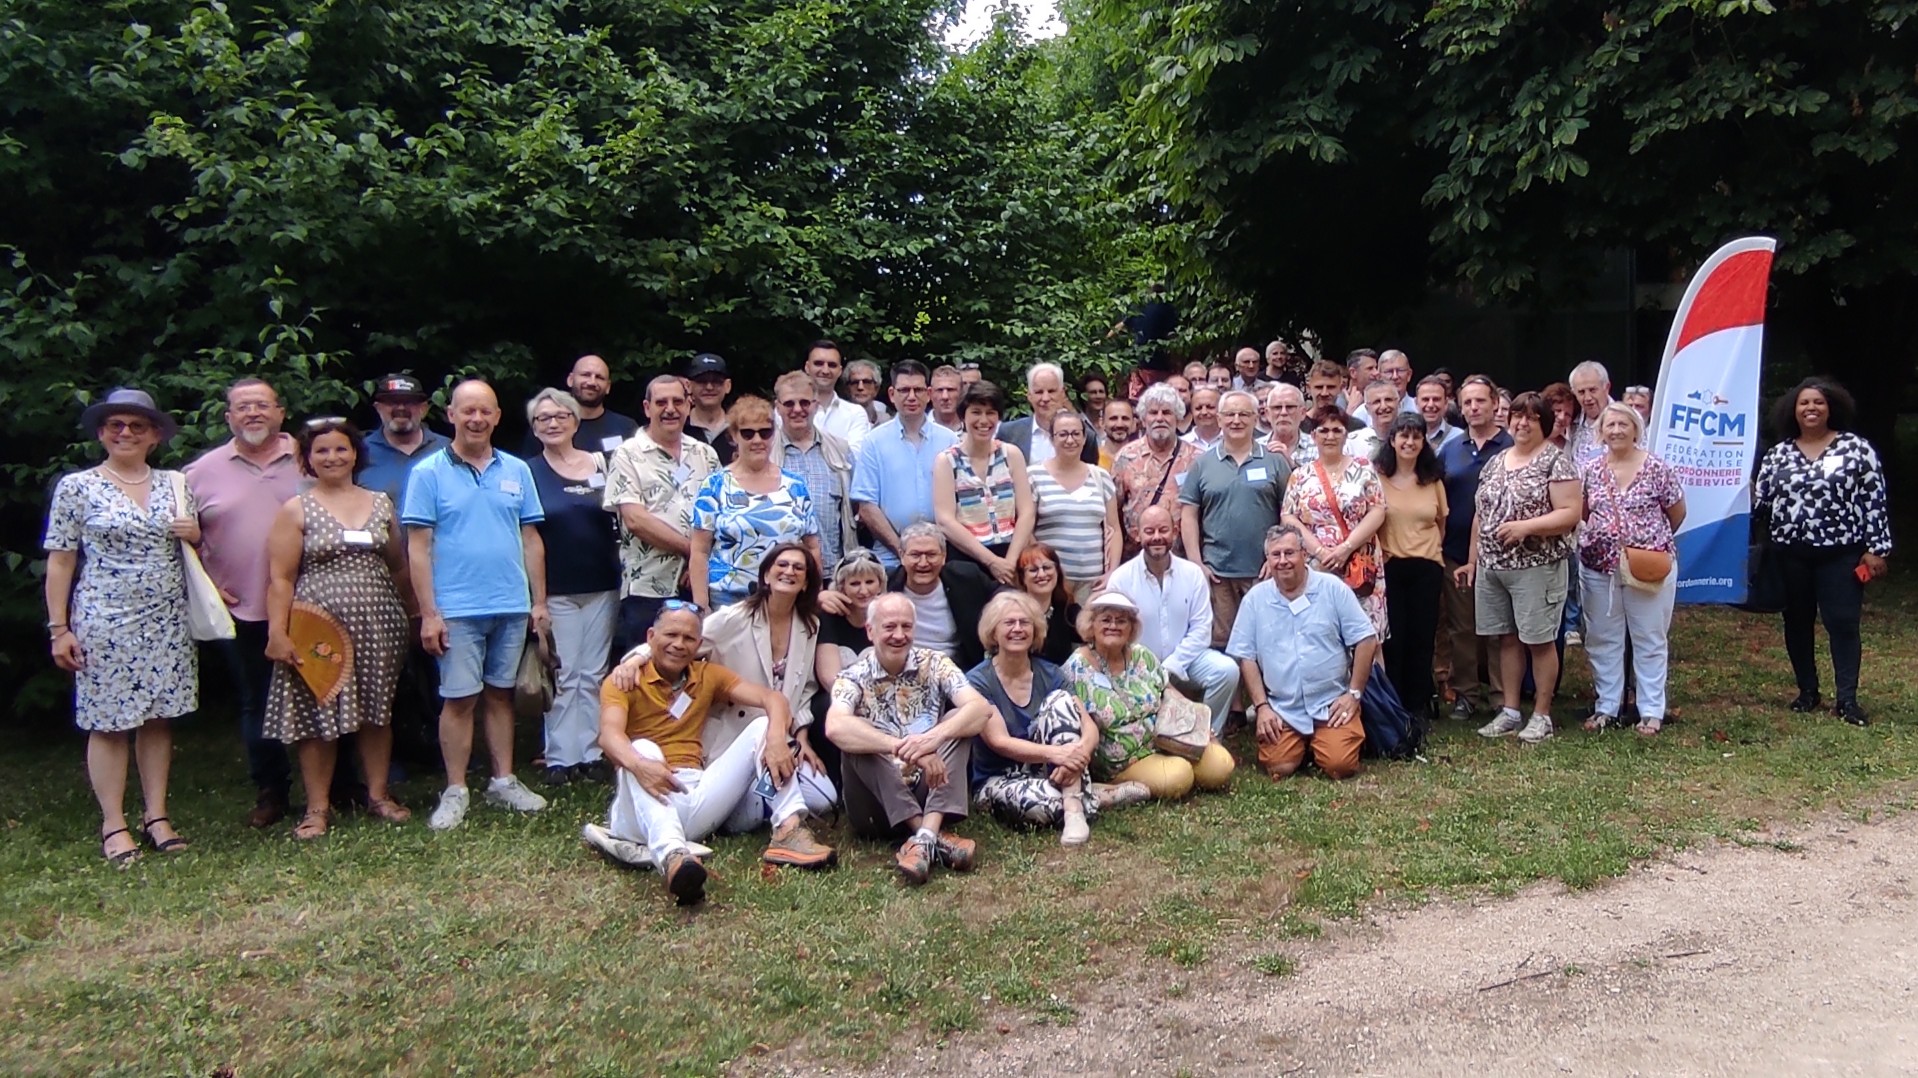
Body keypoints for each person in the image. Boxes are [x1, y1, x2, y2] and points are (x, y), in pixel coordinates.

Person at [586, 602, 837, 904]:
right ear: (651, 637)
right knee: (642, 746)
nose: (679, 644)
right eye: (671, 635)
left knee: (761, 726)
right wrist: (639, 766)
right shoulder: (624, 680)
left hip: (694, 795)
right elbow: (609, 736)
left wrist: (775, 738)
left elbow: (772, 698)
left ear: (699, 643)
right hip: (639, 807)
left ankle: (789, 831)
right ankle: (673, 857)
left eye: (689, 638)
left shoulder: (706, 676)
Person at [44, 389, 198, 865]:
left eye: (136, 426)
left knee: (158, 717)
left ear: (155, 435)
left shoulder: (176, 483)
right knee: (108, 723)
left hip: (167, 618)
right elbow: (61, 559)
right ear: (101, 433)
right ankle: (114, 822)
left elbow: (191, 546)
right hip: (105, 620)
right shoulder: (78, 487)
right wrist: (59, 628)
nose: (125, 433)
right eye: (116, 426)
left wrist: (194, 533)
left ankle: (157, 816)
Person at [402, 379, 552, 830]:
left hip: (509, 603)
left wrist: (538, 601)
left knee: (501, 695)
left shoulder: (516, 470)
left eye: (485, 411)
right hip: (457, 609)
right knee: (460, 698)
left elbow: (531, 539)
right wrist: (430, 612)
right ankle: (455, 789)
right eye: (467, 410)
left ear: (497, 416)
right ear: (450, 415)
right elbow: (417, 547)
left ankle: (503, 780)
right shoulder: (428, 473)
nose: (476, 418)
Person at [607, 543, 840, 818]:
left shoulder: (808, 626)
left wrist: (801, 737)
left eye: (798, 568)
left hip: (779, 732)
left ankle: (762, 797)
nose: (789, 571)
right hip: (734, 734)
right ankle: (756, 804)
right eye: (782, 565)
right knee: (742, 818)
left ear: (806, 583)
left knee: (824, 799)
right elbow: (685, 638)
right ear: (765, 576)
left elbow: (805, 689)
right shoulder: (735, 618)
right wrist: (635, 659)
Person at [262, 418, 414, 838]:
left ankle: (379, 795)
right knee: (319, 713)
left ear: (355, 454)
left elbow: (398, 565)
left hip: (380, 623)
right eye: (322, 451)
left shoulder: (381, 503)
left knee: (377, 711)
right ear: (308, 460)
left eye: (340, 449)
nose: (332, 457)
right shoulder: (297, 509)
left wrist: (414, 612)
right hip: (318, 629)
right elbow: (280, 578)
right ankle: (316, 808)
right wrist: (278, 630)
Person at [184, 377, 300, 828]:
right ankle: (271, 790)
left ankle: (340, 785)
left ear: (280, 411)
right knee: (259, 702)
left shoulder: (311, 457)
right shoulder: (200, 473)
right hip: (242, 607)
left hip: (313, 604)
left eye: (262, 405)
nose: (252, 413)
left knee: (329, 693)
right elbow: (182, 540)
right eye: (242, 407)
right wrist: (208, 582)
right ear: (228, 416)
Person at [824, 592, 993, 885]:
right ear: (870, 631)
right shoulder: (852, 676)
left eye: (906, 626)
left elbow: (981, 709)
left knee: (959, 722)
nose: (899, 635)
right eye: (889, 627)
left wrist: (932, 739)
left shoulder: (936, 663)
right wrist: (904, 748)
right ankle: (929, 834)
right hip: (875, 808)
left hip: (928, 789)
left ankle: (924, 837)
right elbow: (835, 727)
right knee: (857, 732)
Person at [1752, 377, 1891, 725]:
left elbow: (1874, 500)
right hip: (1789, 553)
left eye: (1818, 403)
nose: (1811, 408)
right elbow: (1760, 504)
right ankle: (1807, 692)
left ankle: (1847, 699)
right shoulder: (1778, 453)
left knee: (1842, 622)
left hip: (1841, 553)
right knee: (1797, 622)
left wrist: (1877, 549)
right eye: (1804, 403)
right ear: (1792, 410)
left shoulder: (1856, 449)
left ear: (1831, 408)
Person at [968, 592, 1149, 846]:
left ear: (1035, 630)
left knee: (1060, 701)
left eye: (1025, 623)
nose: (1018, 629)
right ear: (993, 632)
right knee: (1046, 805)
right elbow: (999, 742)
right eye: (1009, 623)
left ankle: (1075, 810)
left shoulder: (1051, 673)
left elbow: (1089, 727)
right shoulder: (978, 681)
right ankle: (1096, 795)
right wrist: (1057, 754)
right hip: (999, 778)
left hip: (1054, 771)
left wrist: (1077, 754)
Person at [1458, 391, 1580, 744]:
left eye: (1531, 417)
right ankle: (1510, 711)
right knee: (1506, 639)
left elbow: (1570, 513)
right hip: (1494, 566)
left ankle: (1542, 715)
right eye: (1516, 416)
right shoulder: (1497, 460)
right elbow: (1480, 515)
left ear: (1544, 423)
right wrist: (1471, 560)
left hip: (1537, 566)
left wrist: (1527, 527)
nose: (1522, 423)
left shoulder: (1556, 462)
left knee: (1539, 641)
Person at [1227, 526, 1380, 781]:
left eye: (1290, 553)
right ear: (1268, 560)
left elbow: (1366, 639)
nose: (1283, 561)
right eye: (1276, 555)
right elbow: (1246, 657)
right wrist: (1262, 707)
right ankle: (1303, 745)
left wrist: (1353, 694)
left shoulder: (1332, 588)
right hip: (1283, 708)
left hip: (1330, 704)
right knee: (1279, 766)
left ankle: (1327, 741)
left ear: (1304, 554)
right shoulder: (1255, 600)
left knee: (1338, 766)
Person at [524, 389, 620, 784]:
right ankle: (561, 756)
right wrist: (538, 600)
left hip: (604, 582)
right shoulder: (527, 471)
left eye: (561, 416)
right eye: (543, 418)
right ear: (533, 427)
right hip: (558, 588)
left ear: (576, 421)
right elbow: (529, 538)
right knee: (563, 673)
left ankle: (593, 752)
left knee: (593, 672)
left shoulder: (602, 463)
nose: (553, 423)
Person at [1577, 403, 1685, 736]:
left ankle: (1652, 710)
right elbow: (1582, 510)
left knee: (1649, 637)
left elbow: (1677, 512)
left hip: (1647, 566)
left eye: (1624, 424)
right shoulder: (1591, 469)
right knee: (1601, 638)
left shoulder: (1656, 468)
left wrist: (1646, 544)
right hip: (1599, 566)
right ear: (1601, 431)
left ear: (1636, 429)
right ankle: (1606, 706)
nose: (1616, 430)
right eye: (1610, 425)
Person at [1062, 591, 1234, 799]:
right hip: (1122, 760)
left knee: (1220, 766)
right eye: (1106, 620)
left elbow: (1167, 689)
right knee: (1178, 777)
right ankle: (1113, 785)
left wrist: (1198, 726)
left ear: (1131, 627)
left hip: (1167, 740)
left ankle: (1173, 769)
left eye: (1121, 621)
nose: (1113, 626)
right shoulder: (1077, 667)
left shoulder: (1142, 655)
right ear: (1091, 625)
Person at [604, 375, 722, 654]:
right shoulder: (627, 454)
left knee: (695, 668)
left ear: (688, 406)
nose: (670, 408)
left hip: (698, 586)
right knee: (646, 669)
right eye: (661, 402)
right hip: (648, 586)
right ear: (647, 408)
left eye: (678, 401)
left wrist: (699, 560)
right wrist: (694, 552)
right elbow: (635, 519)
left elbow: (723, 514)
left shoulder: (705, 454)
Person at [1106, 505, 1241, 735]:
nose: (1157, 537)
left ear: (1174, 532)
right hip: (1137, 667)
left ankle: (1203, 735)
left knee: (1227, 671)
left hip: (1185, 662)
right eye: (1149, 531)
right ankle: (1149, 736)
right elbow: (1115, 634)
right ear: (1138, 535)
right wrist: (1149, 670)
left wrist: (1171, 666)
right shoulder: (1121, 579)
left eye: (1163, 530)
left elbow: (1201, 629)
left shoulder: (1192, 573)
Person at [1180, 390, 1291, 654]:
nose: (1236, 420)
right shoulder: (1202, 464)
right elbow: (1189, 514)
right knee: (1224, 648)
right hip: (1218, 574)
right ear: (1219, 419)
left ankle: (1264, 696)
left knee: (1268, 643)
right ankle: (1234, 698)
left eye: (1244, 414)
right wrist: (1197, 563)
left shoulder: (1275, 461)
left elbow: (1290, 513)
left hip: (1265, 572)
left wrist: (1276, 557)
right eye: (1229, 414)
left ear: (1256, 419)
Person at [689, 396, 823, 610]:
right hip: (728, 599)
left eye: (765, 432)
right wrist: (701, 607)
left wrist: (813, 597)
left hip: (786, 598)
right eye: (748, 433)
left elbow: (812, 547)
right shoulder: (714, 485)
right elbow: (699, 551)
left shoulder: (795, 486)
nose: (757, 440)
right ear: (734, 436)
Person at [1436, 376, 1512, 719]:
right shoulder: (1451, 449)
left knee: (1499, 629)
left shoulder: (1512, 447)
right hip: (1455, 552)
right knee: (1462, 628)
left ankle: (1501, 696)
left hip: (1502, 554)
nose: (1473, 408)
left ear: (1495, 403)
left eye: (1480, 401)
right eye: (1467, 403)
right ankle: (1466, 693)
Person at [1283, 405, 1389, 637]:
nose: (1330, 436)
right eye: (1323, 430)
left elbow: (1378, 510)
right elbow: (1288, 516)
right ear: (1313, 436)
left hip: (1359, 562)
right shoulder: (1300, 475)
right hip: (1316, 564)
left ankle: (1371, 675)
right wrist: (1320, 551)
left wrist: (1345, 548)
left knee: (1367, 637)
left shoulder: (1364, 468)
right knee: (1320, 634)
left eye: (1336, 430)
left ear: (1346, 434)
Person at [1375, 413, 1448, 721]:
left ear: (1423, 442)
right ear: (1392, 440)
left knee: (1422, 636)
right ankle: (1395, 705)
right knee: (1394, 638)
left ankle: (1418, 705)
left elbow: (1440, 523)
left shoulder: (1432, 480)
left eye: (1416, 436)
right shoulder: (1376, 478)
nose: (1409, 442)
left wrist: (1427, 550)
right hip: (1391, 566)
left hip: (1427, 568)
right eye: (1403, 436)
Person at [851, 360, 957, 570]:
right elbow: (866, 506)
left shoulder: (950, 441)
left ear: (928, 394)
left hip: (942, 556)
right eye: (904, 390)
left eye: (918, 390)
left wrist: (929, 553)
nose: (911, 396)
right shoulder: (874, 442)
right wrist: (903, 551)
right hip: (890, 558)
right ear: (891, 394)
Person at [933, 380, 1034, 586]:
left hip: (1011, 555)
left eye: (990, 413)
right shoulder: (946, 461)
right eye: (976, 412)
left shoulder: (1011, 455)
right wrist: (991, 562)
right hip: (967, 561)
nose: (984, 420)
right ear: (963, 416)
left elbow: (1026, 511)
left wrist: (1010, 562)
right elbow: (945, 520)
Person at [770, 371, 855, 582]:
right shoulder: (765, 452)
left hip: (831, 572)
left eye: (804, 403)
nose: (797, 409)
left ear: (816, 405)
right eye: (789, 403)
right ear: (778, 407)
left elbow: (853, 509)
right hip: (779, 573)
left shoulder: (840, 450)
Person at [1029, 410, 1121, 601]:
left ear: (1084, 437)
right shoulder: (1034, 476)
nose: (1070, 440)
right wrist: (1041, 567)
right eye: (1063, 434)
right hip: (1049, 582)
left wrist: (1112, 571)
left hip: (1093, 584)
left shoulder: (1100, 476)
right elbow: (1026, 529)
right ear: (1051, 438)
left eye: (1075, 434)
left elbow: (1114, 529)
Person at [1111, 384, 1199, 560]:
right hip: (1135, 556)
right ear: (1143, 419)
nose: (1160, 418)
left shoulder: (1196, 459)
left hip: (1183, 557)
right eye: (1153, 413)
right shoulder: (1126, 457)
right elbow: (1114, 511)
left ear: (1178, 418)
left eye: (1167, 412)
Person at [520, 354, 640, 456]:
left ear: (608, 387)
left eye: (599, 377)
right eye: (585, 375)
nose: (592, 382)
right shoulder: (548, 426)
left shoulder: (626, 427)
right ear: (570, 380)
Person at [360, 374, 450, 507]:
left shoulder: (448, 450)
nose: (401, 408)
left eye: (409, 402)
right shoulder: (359, 452)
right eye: (392, 402)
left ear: (424, 409)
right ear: (378, 408)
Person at [998, 362, 1097, 467]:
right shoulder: (1009, 433)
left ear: (1062, 393)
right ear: (1029, 395)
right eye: (1039, 392)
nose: (1045, 398)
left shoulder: (1084, 436)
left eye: (1051, 391)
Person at [820, 547, 888, 669]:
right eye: (855, 583)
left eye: (869, 582)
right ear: (842, 587)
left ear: (880, 585)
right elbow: (830, 677)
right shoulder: (829, 617)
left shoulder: (888, 617)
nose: (863, 591)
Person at [1015, 544, 1081, 666]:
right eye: (1033, 570)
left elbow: (1093, 635)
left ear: (1057, 572)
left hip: (1060, 682)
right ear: (1022, 577)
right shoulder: (1013, 613)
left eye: (1047, 567)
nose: (1041, 574)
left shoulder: (1068, 610)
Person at [802, 340, 873, 451]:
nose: (825, 370)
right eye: (819, 364)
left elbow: (855, 459)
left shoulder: (855, 413)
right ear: (807, 367)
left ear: (840, 371)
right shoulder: (790, 410)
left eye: (832, 365)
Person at [683, 352, 737, 465]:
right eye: (702, 381)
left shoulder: (740, 428)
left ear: (728, 386)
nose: (709, 387)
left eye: (716, 381)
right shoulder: (679, 428)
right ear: (689, 386)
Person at [1567, 360, 1617, 468]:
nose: (1588, 398)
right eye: (1581, 392)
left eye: (1593, 390)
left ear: (1606, 388)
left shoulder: (1626, 418)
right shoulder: (1570, 420)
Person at [1344, 379, 1401, 461]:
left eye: (1388, 400)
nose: (1383, 406)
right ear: (1367, 409)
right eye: (1376, 402)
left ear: (1398, 404)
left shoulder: (1409, 439)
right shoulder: (1352, 442)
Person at [1264, 384, 1316, 467]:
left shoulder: (1318, 447)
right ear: (1267, 414)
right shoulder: (1255, 448)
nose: (1283, 412)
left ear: (1302, 413)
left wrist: (1290, 463)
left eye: (1290, 407)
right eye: (1277, 407)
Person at [1414, 376, 1461, 452]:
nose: (1430, 405)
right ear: (1416, 403)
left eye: (1436, 399)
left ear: (1446, 403)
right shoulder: (1406, 439)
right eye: (1425, 399)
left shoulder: (1458, 437)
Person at [845, 359, 890, 425]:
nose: (860, 387)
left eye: (866, 382)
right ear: (847, 389)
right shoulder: (838, 419)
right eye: (855, 382)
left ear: (876, 389)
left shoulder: (886, 422)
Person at [1181, 385, 1224, 452]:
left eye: (1210, 407)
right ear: (1191, 411)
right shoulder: (1182, 443)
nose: (1204, 412)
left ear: (1221, 409)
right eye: (1198, 408)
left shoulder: (1232, 440)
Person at [1098, 399, 1137, 469]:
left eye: (1125, 419)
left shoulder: (1143, 459)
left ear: (1134, 424)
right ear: (1102, 423)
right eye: (1113, 418)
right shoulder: (1091, 459)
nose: (1119, 424)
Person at [1341, 349, 1380, 419]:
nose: (1376, 373)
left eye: (1376, 368)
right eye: (1370, 368)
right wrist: (1351, 409)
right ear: (1353, 373)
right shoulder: (1338, 402)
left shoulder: (1381, 401)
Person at [930, 364, 966, 432]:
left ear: (961, 392)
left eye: (950, 390)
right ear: (930, 393)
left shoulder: (974, 428)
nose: (945, 397)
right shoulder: (917, 427)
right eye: (939, 390)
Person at [1541, 382, 1576, 451]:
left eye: (1567, 414)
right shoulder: (1531, 439)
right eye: (1558, 410)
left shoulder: (1569, 448)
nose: (1561, 417)